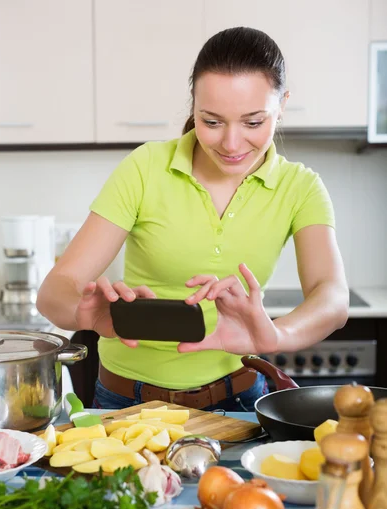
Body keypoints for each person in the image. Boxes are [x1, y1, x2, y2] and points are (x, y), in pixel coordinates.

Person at [37, 27, 349, 412]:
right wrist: (85, 313)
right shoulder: (146, 168)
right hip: (124, 402)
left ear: (282, 104)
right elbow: (54, 290)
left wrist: (273, 333)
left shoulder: (300, 188)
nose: (231, 144)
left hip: (238, 400)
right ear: (193, 107)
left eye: (253, 122)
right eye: (212, 121)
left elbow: (333, 299)